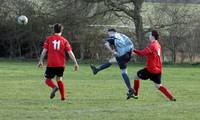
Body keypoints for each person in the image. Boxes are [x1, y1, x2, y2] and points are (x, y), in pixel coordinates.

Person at [37, 23, 79, 101]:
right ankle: (63, 98)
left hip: (51, 63)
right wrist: (75, 63)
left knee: (47, 80)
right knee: (59, 79)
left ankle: (54, 87)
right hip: (61, 64)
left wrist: (40, 61)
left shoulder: (49, 39)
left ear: (54, 30)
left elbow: (44, 51)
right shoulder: (64, 40)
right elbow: (70, 52)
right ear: (61, 31)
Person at [90, 28, 135, 99]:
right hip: (128, 54)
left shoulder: (113, 36)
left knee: (123, 72)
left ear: (111, 32)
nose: (108, 35)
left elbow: (106, 44)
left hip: (122, 55)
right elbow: (131, 44)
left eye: (108, 33)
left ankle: (130, 89)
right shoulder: (122, 35)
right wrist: (130, 54)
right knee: (112, 61)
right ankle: (96, 70)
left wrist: (112, 51)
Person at [132, 30, 176, 101]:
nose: (149, 36)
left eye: (149, 35)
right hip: (158, 69)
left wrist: (133, 50)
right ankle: (171, 97)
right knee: (158, 86)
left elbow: (142, 53)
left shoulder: (152, 45)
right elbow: (151, 54)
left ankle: (135, 95)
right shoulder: (158, 44)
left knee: (136, 76)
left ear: (152, 36)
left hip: (151, 69)